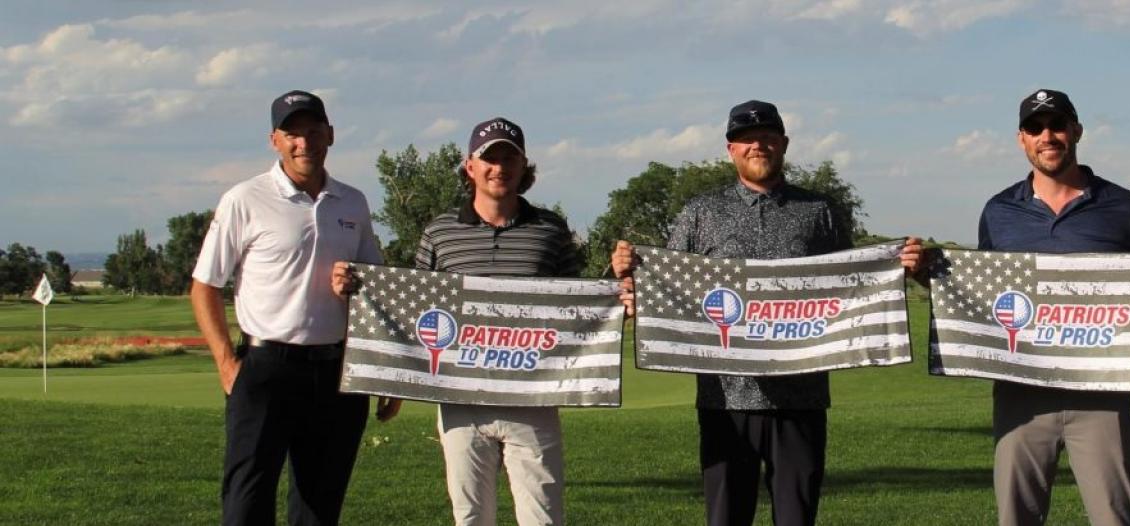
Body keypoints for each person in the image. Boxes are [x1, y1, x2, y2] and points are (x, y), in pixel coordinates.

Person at [609, 100, 923, 526]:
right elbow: (665, 284)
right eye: (747, 139)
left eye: (768, 137)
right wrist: (629, 271)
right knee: (727, 518)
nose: (758, 145)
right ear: (731, 149)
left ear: (784, 144)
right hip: (725, 397)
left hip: (803, 393)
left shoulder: (820, 211)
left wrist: (893, 264)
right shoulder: (701, 212)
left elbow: (852, 283)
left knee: (797, 517)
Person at [977, 88, 1130, 526]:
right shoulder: (998, 212)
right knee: (1016, 517)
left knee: (1116, 517)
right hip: (1021, 395)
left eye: (1057, 125)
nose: (1046, 135)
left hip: (1104, 395)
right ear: (1021, 139)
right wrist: (928, 273)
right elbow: (984, 299)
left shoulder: (1124, 206)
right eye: (1034, 128)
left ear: (1076, 131)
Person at [190, 89, 397, 526]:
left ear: (331, 135)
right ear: (275, 141)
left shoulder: (353, 202)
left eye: (314, 131)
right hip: (266, 367)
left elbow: (376, 286)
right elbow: (204, 286)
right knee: (247, 503)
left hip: (336, 373)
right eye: (293, 134)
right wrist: (227, 363)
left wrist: (382, 361)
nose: (305, 142)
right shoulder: (245, 199)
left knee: (319, 507)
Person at [408, 117, 580, 526]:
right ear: (470, 166)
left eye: (509, 157)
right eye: (489, 158)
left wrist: (617, 293)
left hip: (532, 397)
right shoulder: (440, 232)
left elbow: (578, 304)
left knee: (543, 518)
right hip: (461, 398)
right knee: (470, 517)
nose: (499, 167)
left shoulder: (550, 229)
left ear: (524, 166)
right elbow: (415, 309)